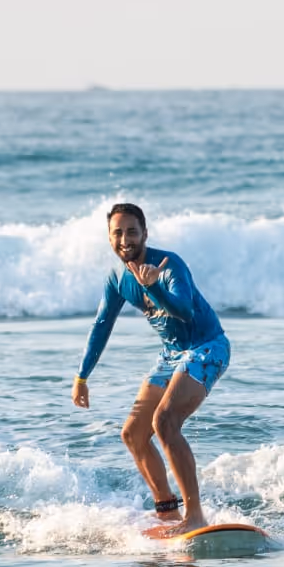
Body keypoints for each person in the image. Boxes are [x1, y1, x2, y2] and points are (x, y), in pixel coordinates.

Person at [72, 203, 230, 535]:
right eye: (117, 232)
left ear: (145, 233)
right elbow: (102, 325)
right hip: (171, 354)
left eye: (132, 231)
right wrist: (82, 376)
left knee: (165, 421)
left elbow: (185, 312)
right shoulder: (117, 279)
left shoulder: (169, 265)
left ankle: (196, 515)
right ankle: (167, 511)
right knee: (132, 433)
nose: (125, 239)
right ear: (109, 238)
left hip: (207, 347)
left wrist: (154, 286)